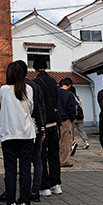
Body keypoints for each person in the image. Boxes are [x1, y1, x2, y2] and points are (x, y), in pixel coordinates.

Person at [0, 61, 35, 205]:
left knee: (10, 170)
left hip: (9, 135)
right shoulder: (29, 89)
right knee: (26, 170)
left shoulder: (4, 89)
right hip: (26, 134)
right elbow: (31, 109)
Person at [33, 55, 62, 197]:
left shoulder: (35, 83)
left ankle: (44, 186)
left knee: (41, 154)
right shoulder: (53, 81)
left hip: (43, 122)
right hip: (54, 121)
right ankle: (56, 184)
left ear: (34, 67)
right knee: (54, 153)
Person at [57, 78, 77, 167]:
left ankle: (55, 160)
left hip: (55, 119)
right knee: (65, 142)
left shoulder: (55, 92)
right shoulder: (69, 94)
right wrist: (72, 119)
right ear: (70, 85)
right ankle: (63, 161)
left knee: (56, 141)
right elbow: (72, 108)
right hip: (65, 119)